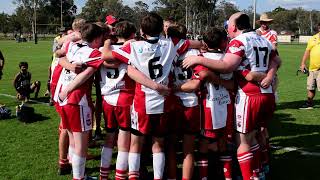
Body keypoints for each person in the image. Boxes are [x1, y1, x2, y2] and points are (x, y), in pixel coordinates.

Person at [182, 12, 281, 180]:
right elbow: (276, 60)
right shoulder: (263, 39)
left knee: (242, 141)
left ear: (234, 26)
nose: (227, 28)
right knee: (254, 136)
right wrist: (270, 76)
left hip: (249, 95)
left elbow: (227, 66)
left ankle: (249, 176)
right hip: (268, 94)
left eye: (229, 24)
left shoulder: (239, 41)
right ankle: (259, 172)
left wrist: (199, 60)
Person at [102, 12, 195, 180]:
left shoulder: (134, 47)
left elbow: (106, 56)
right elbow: (193, 43)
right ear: (161, 29)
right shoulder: (170, 44)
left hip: (142, 102)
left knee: (136, 144)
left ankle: (133, 176)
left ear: (141, 31)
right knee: (158, 143)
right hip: (163, 100)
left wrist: (108, 42)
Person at [54, 23, 105, 180]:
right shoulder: (95, 53)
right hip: (75, 99)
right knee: (81, 145)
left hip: (61, 98)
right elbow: (84, 75)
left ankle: (77, 173)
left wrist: (63, 91)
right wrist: (68, 90)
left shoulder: (72, 45)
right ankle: (79, 177)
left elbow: (58, 55)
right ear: (96, 39)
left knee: (73, 140)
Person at [299, 23, 320, 109]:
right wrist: (303, 63)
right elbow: (307, 51)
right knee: (310, 87)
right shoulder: (313, 38)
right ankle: (309, 104)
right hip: (312, 68)